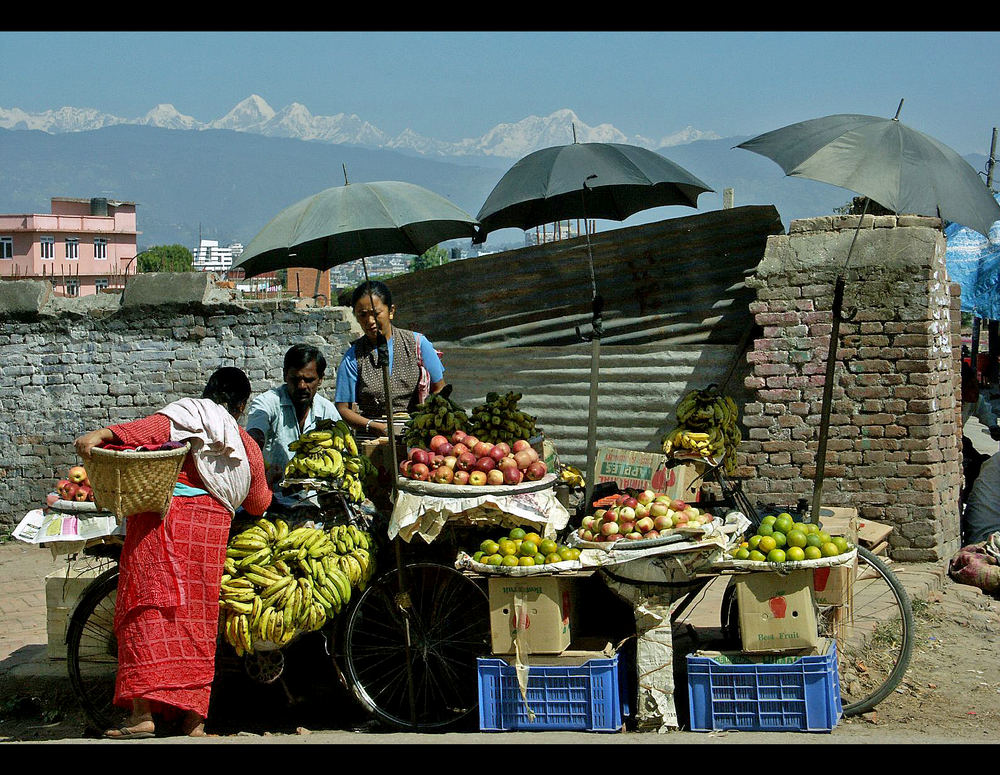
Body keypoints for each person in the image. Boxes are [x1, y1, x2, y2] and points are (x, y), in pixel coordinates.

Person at [73, 367, 272, 739]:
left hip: (161, 524)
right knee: (198, 621)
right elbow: (259, 503)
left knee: (146, 609)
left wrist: (100, 435)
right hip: (208, 536)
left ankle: (142, 717)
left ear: (207, 392)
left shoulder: (189, 414)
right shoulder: (245, 443)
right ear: (242, 406)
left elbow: (148, 431)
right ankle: (194, 721)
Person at [334, 281, 446, 438]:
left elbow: (440, 388)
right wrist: (375, 427)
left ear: (391, 311)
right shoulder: (353, 357)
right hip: (371, 437)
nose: (370, 321)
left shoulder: (418, 345)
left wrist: (426, 418)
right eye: (363, 315)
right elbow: (343, 408)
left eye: (376, 313)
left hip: (415, 433)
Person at [245, 344, 342, 487]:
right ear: (285, 375)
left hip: (316, 499)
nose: (302, 386)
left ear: (320, 379)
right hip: (274, 497)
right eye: (295, 379)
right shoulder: (268, 402)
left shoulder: (327, 410)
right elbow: (255, 433)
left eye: (309, 380)